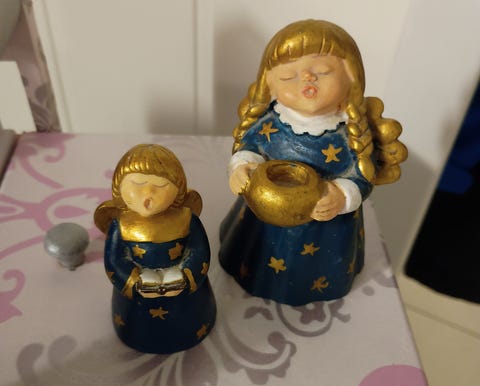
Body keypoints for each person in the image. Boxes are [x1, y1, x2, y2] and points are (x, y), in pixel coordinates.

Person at [219, 19, 406, 306]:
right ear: (269, 83)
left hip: (324, 231)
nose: (307, 78)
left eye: (323, 71)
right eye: (288, 76)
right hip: (263, 219)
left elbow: (361, 176)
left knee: (312, 266)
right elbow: (249, 147)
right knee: (254, 254)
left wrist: (341, 196)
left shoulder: (351, 135)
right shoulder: (271, 124)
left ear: (352, 78)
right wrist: (241, 167)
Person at [94, 144, 216, 353]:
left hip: (185, 296)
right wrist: (133, 282)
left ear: (178, 190)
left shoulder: (186, 219)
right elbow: (114, 261)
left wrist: (187, 276)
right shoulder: (121, 225)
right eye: (138, 184)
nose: (148, 194)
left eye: (161, 185)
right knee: (140, 324)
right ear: (119, 187)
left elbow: (200, 251)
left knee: (188, 318)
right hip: (137, 300)